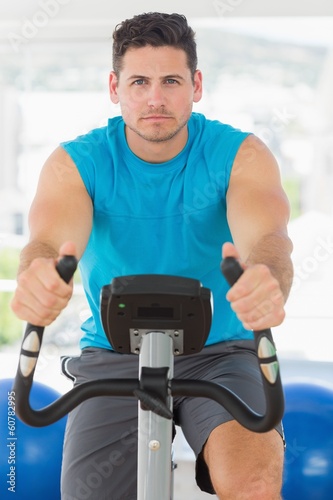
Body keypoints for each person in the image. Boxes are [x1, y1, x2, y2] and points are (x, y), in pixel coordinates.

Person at [11, 12, 293, 500]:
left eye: (171, 81)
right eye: (139, 81)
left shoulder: (240, 154)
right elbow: (47, 243)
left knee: (254, 485)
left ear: (196, 85)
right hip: (114, 354)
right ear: (115, 87)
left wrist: (267, 278)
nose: (155, 98)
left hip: (221, 352)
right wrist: (38, 274)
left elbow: (269, 239)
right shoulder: (77, 162)